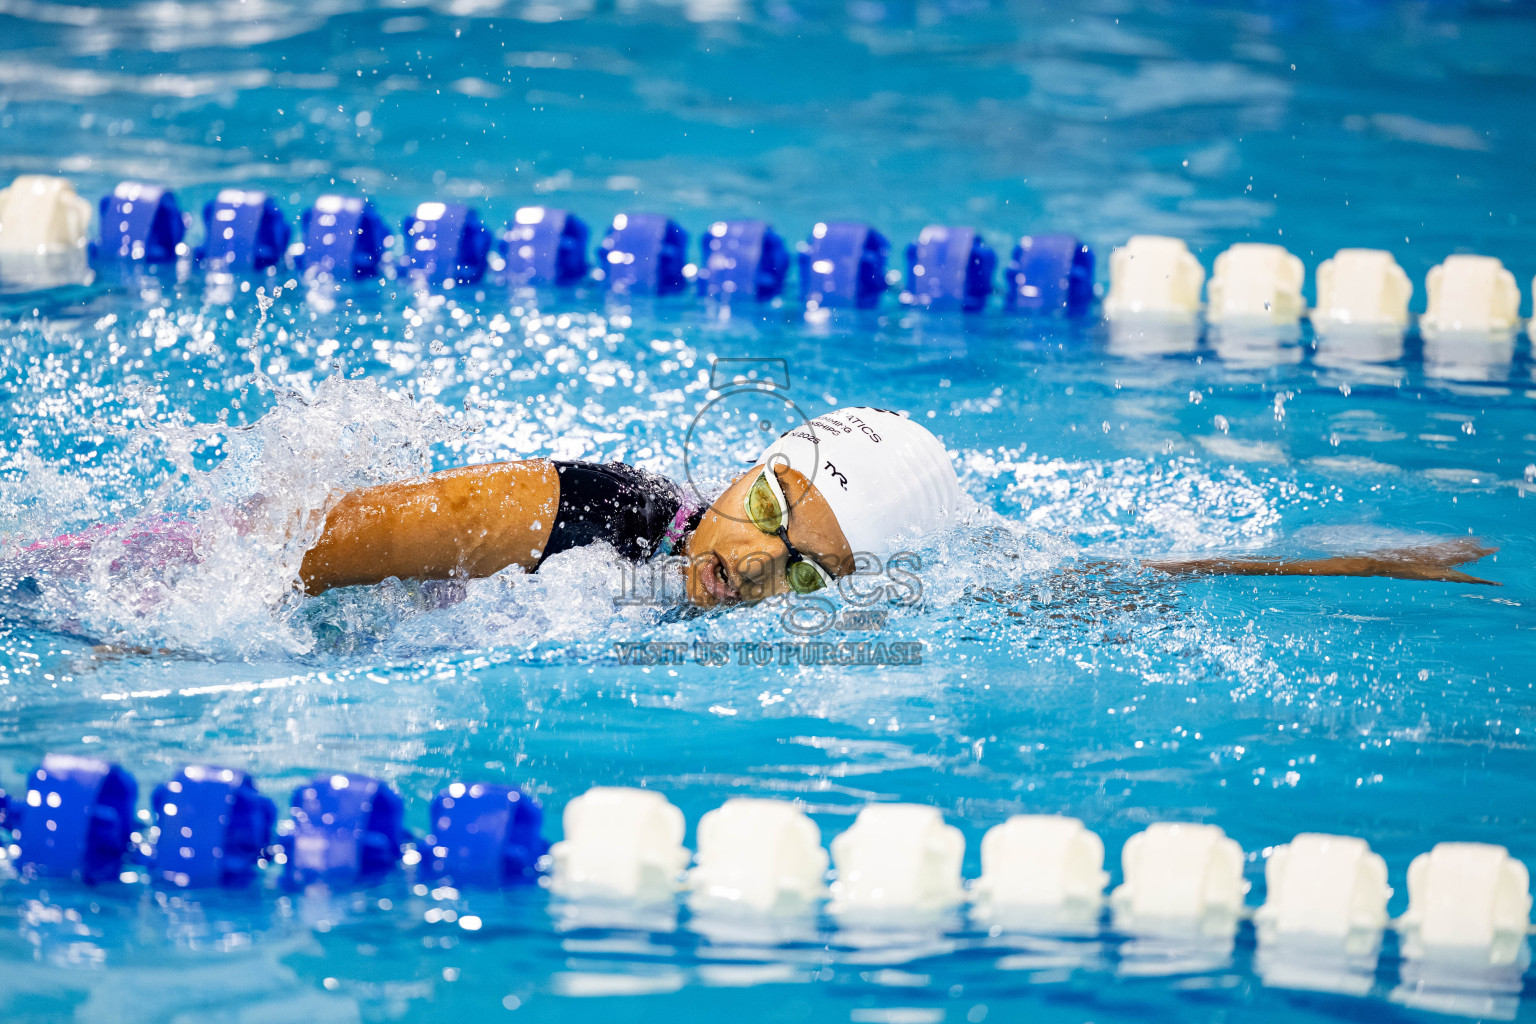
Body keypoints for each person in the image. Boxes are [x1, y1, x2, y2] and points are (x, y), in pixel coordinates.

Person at [296, 406, 1498, 606]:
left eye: (811, 566)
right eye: (766, 506)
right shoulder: (586, 512)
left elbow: (1091, 574)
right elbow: (316, 545)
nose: (758, 563)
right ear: (737, 475)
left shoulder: (840, 601)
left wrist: (1354, 568)